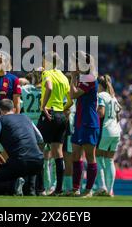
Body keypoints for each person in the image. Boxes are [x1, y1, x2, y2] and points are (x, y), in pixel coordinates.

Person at [0, 99, 44, 196]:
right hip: (38, 161)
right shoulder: (25, 117)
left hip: (19, 161)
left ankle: (13, 185)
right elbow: (40, 139)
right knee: (29, 192)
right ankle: (26, 189)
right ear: (13, 109)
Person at [37, 52, 72, 196]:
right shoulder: (64, 77)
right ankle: (58, 189)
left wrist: (44, 106)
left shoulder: (47, 73)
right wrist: (61, 112)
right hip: (61, 116)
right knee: (58, 153)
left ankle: (40, 188)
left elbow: (49, 87)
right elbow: (70, 101)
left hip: (49, 113)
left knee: (38, 149)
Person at [69, 51, 99, 197]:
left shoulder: (90, 79)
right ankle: (76, 189)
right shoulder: (83, 78)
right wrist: (75, 78)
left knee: (90, 156)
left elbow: (73, 94)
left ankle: (88, 190)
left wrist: (73, 77)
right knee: (76, 155)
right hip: (80, 121)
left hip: (89, 121)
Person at [94, 75, 122, 197]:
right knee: (110, 160)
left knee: (99, 158)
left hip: (106, 130)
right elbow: (119, 113)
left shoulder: (101, 96)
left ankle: (102, 187)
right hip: (116, 131)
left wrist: (92, 111)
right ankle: (110, 191)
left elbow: (101, 113)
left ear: (100, 85)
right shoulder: (113, 97)